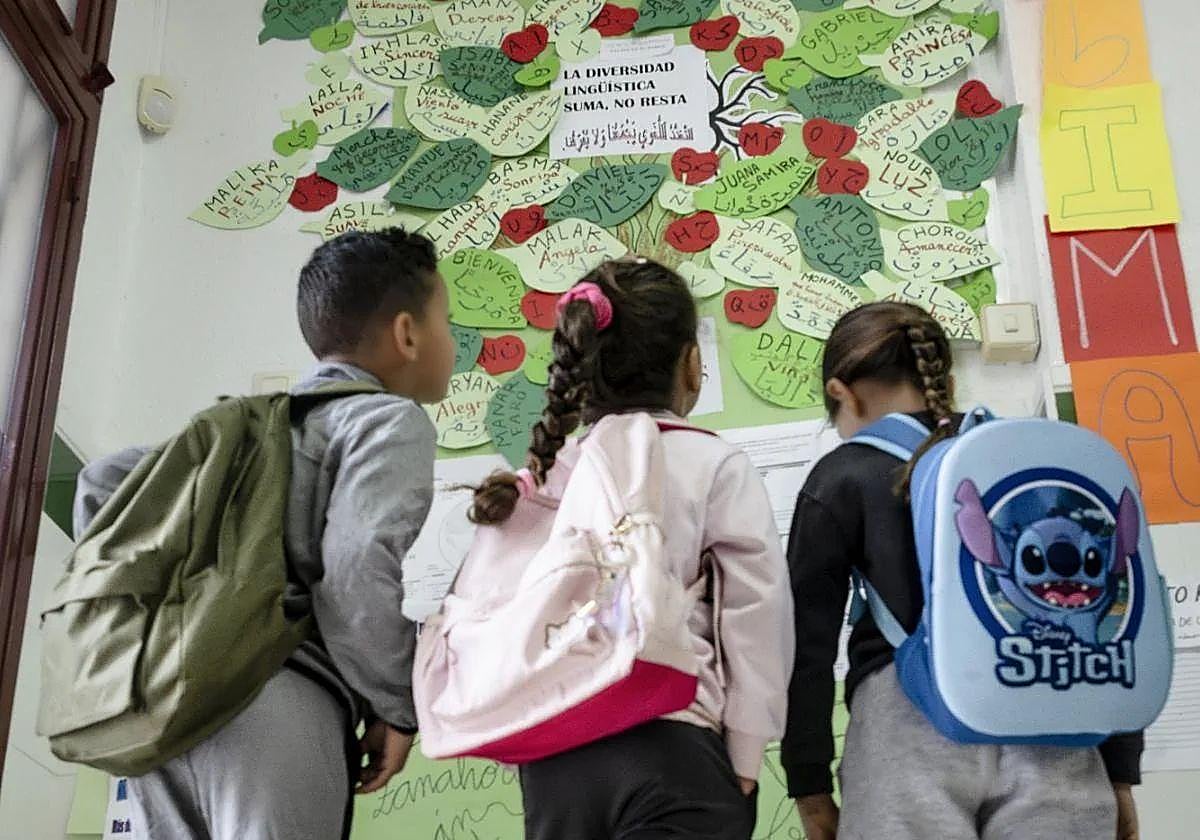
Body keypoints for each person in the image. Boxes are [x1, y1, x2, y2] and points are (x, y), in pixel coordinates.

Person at [73, 229, 456, 840]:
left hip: (167, 718)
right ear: (408, 334)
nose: (451, 341)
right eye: (447, 322)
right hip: (278, 699)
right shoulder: (388, 419)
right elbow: (356, 565)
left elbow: (101, 482)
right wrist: (393, 704)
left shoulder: (238, 430)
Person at [781, 301, 1142, 840]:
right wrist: (1118, 770)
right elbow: (1115, 613)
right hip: (1045, 706)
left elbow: (802, 646)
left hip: (905, 727)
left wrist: (808, 785)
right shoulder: (1024, 465)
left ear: (842, 393)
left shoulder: (842, 476)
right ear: (944, 380)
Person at [467, 258, 794, 840]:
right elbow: (755, 617)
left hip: (555, 762)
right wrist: (746, 753)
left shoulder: (544, 477)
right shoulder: (713, 463)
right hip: (672, 747)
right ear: (693, 364)